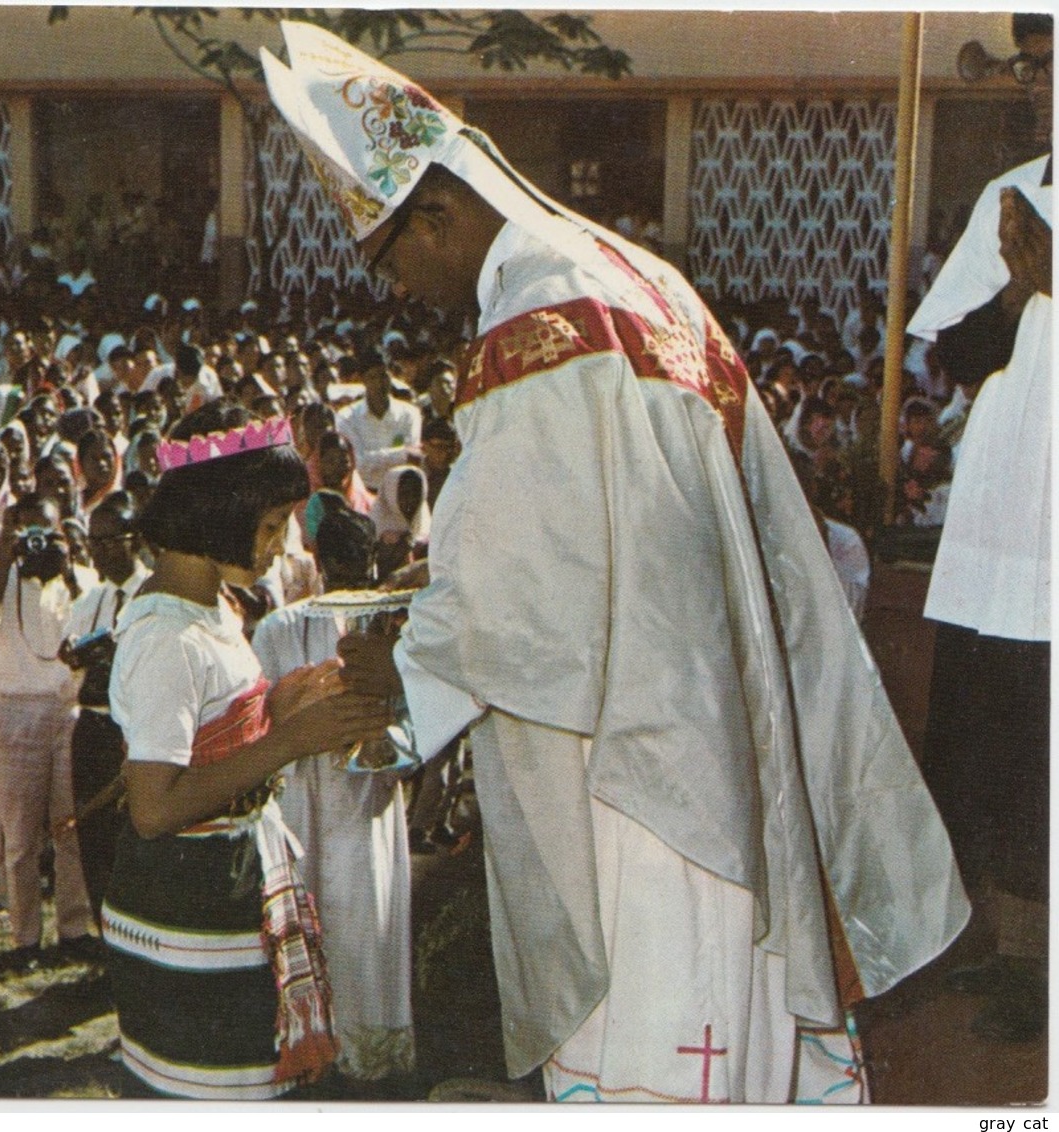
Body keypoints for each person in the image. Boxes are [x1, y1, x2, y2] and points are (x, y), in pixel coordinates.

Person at [264, 22, 965, 1103]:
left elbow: (516, 587)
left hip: (632, 774)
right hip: (724, 733)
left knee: (657, 1045)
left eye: (392, 256)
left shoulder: (531, 327)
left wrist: (401, 673)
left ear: (440, 212)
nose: (400, 288)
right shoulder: (640, 279)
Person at [101, 401, 392, 1099]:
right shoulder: (166, 639)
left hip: (230, 887)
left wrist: (284, 705)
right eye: (267, 526)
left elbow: (214, 734)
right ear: (215, 516)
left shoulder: (213, 608)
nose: (280, 543)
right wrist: (289, 739)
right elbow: (152, 806)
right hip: (188, 904)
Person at [907, 11, 1052, 1044]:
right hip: (1006, 514)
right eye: (1032, 72)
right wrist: (1014, 287)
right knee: (999, 740)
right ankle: (1012, 954)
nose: (1038, 87)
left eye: (1051, 68)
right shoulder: (1017, 196)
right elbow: (953, 353)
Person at [250, 507, 415, 1086]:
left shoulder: (391, 624)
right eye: (338, 560)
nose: (350, 573)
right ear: (319, 561)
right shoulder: (279, 627)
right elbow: (261, 717)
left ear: (374, 563)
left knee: (362, 914)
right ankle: (310, 1044)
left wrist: (379, 737)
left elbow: (412, 717)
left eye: (360, 561)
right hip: (300, 787)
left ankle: (363, 1049)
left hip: (365, 791)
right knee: (313, 908)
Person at [0, 496, 97, 969]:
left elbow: (94, 624)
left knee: (69, 830)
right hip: (18, 709)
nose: (39, 542)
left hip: (68, 707)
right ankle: (24, 937)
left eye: (48, 531)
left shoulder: (78, 580)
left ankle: (74, 928)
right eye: (29, 533)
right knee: (19, 835)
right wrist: (5, 564)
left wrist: (70, 566)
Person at [58, 490, 150, 914]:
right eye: (94, 543)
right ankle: (105, 945)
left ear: (136, 539)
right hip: (93, 727)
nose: (101, 552)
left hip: (134, 727)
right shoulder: (91, 599)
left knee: (133, 838)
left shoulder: (151, 595)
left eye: (112, 541)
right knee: (93, 840)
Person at [335, 348, 422, 492]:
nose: (379, 384)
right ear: (363, 380)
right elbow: (357, 464)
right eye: (372, 377)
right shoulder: (346, 417)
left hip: (401, 494)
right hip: (363, 493)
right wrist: (400, 454)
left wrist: (371, 458)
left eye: (383, 376)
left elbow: (413, 459)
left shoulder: (410, 413)